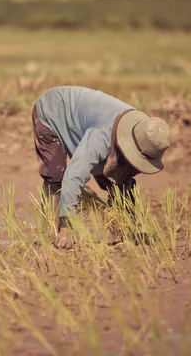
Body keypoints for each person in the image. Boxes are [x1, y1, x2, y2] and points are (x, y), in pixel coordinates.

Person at [31, 86, 171, 249]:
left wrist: (128, 229)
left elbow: (123, 178)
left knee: (120, 176)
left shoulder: (144, 132)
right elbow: (74, 175)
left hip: (84, 118)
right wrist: (67, 226)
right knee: (56, 177)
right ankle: (55, 231)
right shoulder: (101, 136)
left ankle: (123, 228)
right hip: (52, 109)